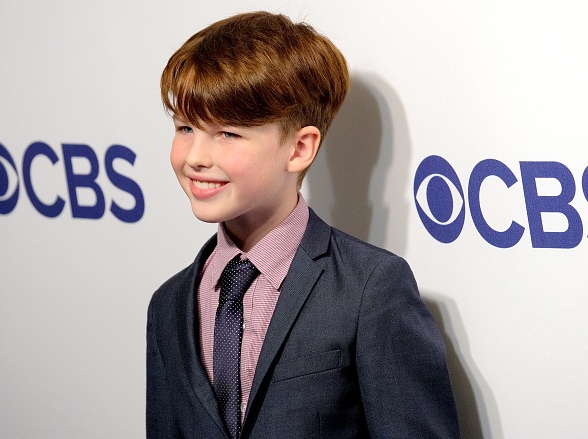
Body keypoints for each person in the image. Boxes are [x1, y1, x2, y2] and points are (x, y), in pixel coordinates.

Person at [147, 10, 460, 439]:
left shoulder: (371, 289)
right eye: (185, 127)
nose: (195, 157)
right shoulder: (169, 304)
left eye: (227, 133)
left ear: (299, 148)